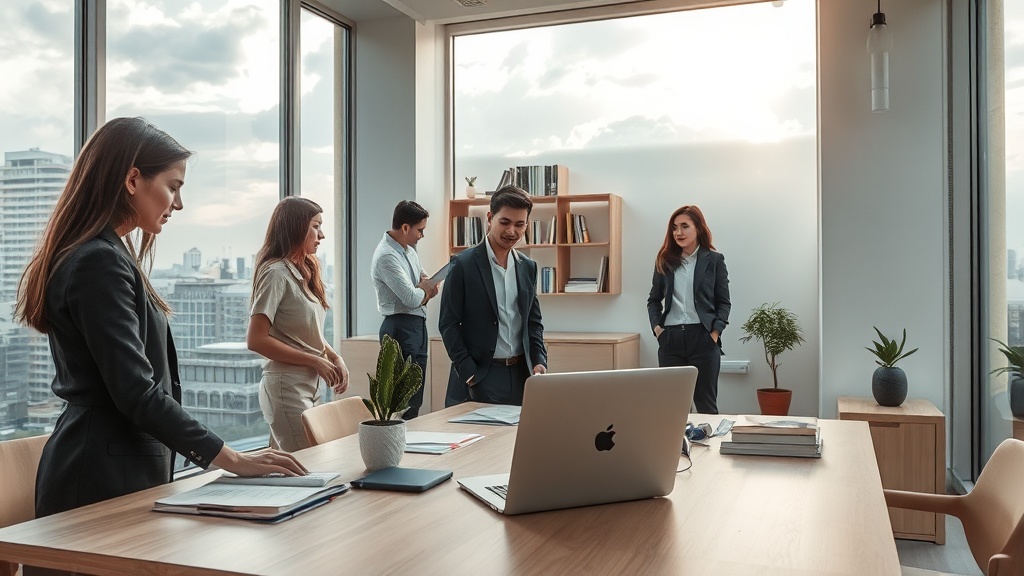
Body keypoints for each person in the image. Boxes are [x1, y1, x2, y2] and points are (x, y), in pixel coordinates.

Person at [13, 117, 308, 530]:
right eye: (174, 186)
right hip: (98, 479)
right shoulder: (99, 260)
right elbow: (135, 389)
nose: (178, 204)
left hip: (119, 470)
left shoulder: (108, 254)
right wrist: (233, 459)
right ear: (133, 179)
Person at [247, 197, 350, 452]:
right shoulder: (275, 273)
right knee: (309, 466)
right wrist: (314, 360)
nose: (322, 235)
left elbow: (308, 331)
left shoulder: (304, 270)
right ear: (296, 227)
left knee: (294, 467)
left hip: (309, 385)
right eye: (316, 226)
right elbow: (256, 339)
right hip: (286, 387)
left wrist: (335, 357)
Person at [439, 185, 547, 406]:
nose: (512, 231)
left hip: (521, 375)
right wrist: (469, 372)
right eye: (505, 222)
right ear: (490, 217)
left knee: (519, 440)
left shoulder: (528, 267)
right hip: (479, 376)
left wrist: (538, 360)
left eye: (520, 224)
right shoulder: (463, 264)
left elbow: (533, 321)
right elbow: (448, 323)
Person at [647, 205, 731, 414]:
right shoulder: (665, 261)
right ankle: (676, 448)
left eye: (685, 226)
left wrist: (715, 332)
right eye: (675, 227)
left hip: (702, 338)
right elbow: (653, 300)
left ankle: (707, 446)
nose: (678, 232)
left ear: (698, 228)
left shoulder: (714, 260)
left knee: (706, 408)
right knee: (673, 408)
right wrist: (658, 329)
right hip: (670, 339)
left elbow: (724, 302)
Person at [370, 200, 438, 419]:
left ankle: (411, 446)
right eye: (420, 230)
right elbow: (410, 297)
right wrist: (425, 291)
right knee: (401, 402)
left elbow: (423, 279)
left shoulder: (408, 251)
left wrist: (425, 288)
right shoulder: (386, 255)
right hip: (400, 327)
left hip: (417, 325)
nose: (422, 235)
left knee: (415, 399)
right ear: (406, 227)